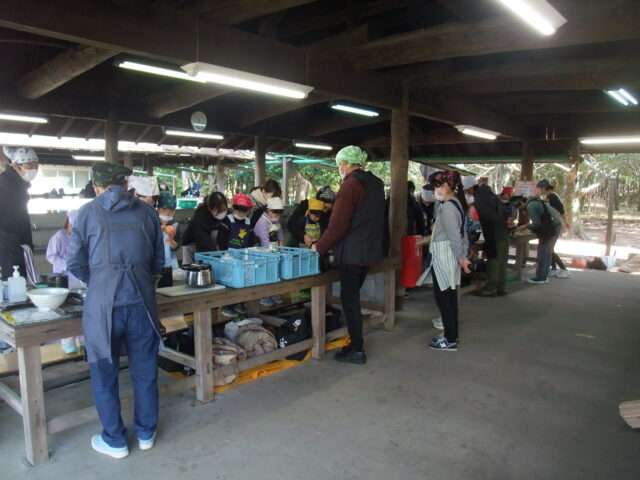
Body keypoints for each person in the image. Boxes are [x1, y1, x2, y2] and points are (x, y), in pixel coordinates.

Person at [67, 162, 165, 459]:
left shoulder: (86, 213)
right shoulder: (148, 213)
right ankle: (146, 433)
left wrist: (101, 281)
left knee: (104, 372)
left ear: (96, 186)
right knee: (145, 370)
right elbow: (158, 262)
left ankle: (115, 439)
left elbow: (75, 262)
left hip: (103, 306)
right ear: (125, 184)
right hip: (141, 303)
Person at [313, 146, 385, 365]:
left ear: (345, 164)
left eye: (339, 165)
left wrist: (319, 247)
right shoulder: (376, 183)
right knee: (352, 296)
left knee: (349, 299)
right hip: (370, 250)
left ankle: (357, 348)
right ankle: (355, 343)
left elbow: (338, 225)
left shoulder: (350, 185)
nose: (339, 169)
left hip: (352, 253)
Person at [426, 171, 471, 351]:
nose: (434, 191)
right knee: (449, 297)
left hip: (445, 255)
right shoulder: (456, 203)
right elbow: (462, 233)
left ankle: (450, 339)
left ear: (446, 186)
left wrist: (461, 257)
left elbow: (454, 236)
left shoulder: (447, 208)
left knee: (444, 298)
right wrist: (463, 254)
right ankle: (451, 335)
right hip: (450, 255)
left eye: (436, 187)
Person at [46, 210, 83, 354]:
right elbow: (50, 256)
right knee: (66, 312)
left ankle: (82, 341)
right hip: (62, 279)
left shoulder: (79, 238)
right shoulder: (59, 237)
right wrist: (64, 264)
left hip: (78, 279)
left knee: (79, 311)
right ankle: (68, 343)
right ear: (68, 223)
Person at [0, 147, 38, 284]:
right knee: (13, 286)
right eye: (29, 165)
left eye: (35, 165)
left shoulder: (18, 184)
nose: (33, 169)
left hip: (17, 246)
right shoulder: (5, 185)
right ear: (16, 165)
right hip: (9, 249)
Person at [522, 180, 564, 284]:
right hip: (555, 224)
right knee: (547, 252)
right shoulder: (536, 201)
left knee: (543, 251)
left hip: (552, 227)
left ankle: (541, 277)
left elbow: (537, 224)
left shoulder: (531, 205)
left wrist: (526, 226)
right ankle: (544, 275)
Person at [473, 181, 510, 297]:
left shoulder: (480, 200)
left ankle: (491, 288)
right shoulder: (495, 199)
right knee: (502, 260)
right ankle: (501, 287)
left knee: (494, 260)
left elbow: (485, 218)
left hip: (494, 234)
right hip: (503, 232)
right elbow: (506, 214)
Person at [254, 197, 285, 308]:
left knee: (275, 273)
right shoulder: (262, 222)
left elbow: (280, 235)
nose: (277, 215)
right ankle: (264, 296)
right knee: (264, 274)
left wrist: (281, 248)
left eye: (279, 212)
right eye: (274, 212)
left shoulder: (276, 220)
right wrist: (273, 253)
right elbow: (264, 241)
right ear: (268, 210)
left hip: (274, 250)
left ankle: (273, 293)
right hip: (262, 252)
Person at [181, 192, 229, 260]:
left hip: (210, 243)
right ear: (209, 208)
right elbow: (204, 242)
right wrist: (218, 256)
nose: (221, 212)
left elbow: (225, 234)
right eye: (217, 210)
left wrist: (225, 253)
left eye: (223, 210)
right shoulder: (200, 217)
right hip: (191, 244)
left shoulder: (226, 215)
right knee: (191, 264)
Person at [541, 181, 571, 279]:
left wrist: (566, 222)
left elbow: (561, 210)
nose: (541, 191)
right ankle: (553, 268)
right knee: (551, 249)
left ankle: (564, 269)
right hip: (554, 224)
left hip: (555, 225)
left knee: (549, 248)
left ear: (546, 189)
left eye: (542, 189)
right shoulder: (552, 197)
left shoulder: (552, 197)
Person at [157, 192, 180, 288]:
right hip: (154, 266)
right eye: (165, 210)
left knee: (167, 290)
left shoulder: (174, 225)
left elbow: (176, 247)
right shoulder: (151, 221)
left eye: (172, 211)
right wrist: (161, 228)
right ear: (158, 209)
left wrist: (171, 240)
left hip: (168, 266)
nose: (169, 214)